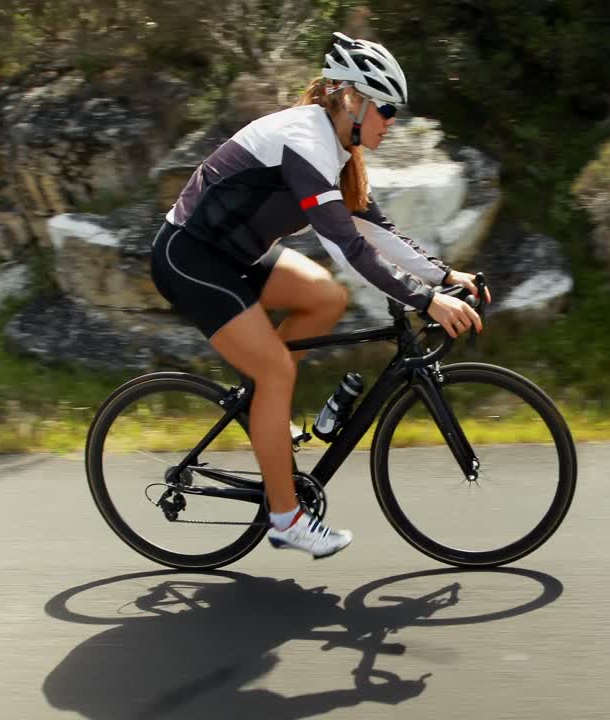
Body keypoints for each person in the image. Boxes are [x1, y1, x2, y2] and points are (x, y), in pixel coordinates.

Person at [149, 32, 488, 559]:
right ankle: (286, 519)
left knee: (324, 299)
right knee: (277, 372)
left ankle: (262, 405)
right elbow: (348, 245)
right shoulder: (305, 141)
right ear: (353, 100)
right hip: (189, 257)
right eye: (387, 110)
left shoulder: (340, 146)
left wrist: (444, 277)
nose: (391, 122)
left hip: (234, 254)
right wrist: (427, 301)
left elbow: (375, 228)